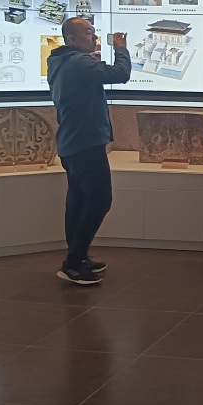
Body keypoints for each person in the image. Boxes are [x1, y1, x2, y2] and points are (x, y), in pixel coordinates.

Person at [47, 18, 131, 286]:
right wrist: (120, 48)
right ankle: (73, 262)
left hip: (73, 143)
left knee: (78, 202)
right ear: (71, 39)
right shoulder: (78, 62)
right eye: (88, 32)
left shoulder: (61, 62)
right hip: (85, 144)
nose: (94, 37)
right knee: (100, 199)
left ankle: (77, 257)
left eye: (93, 31)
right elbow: (121, 74)